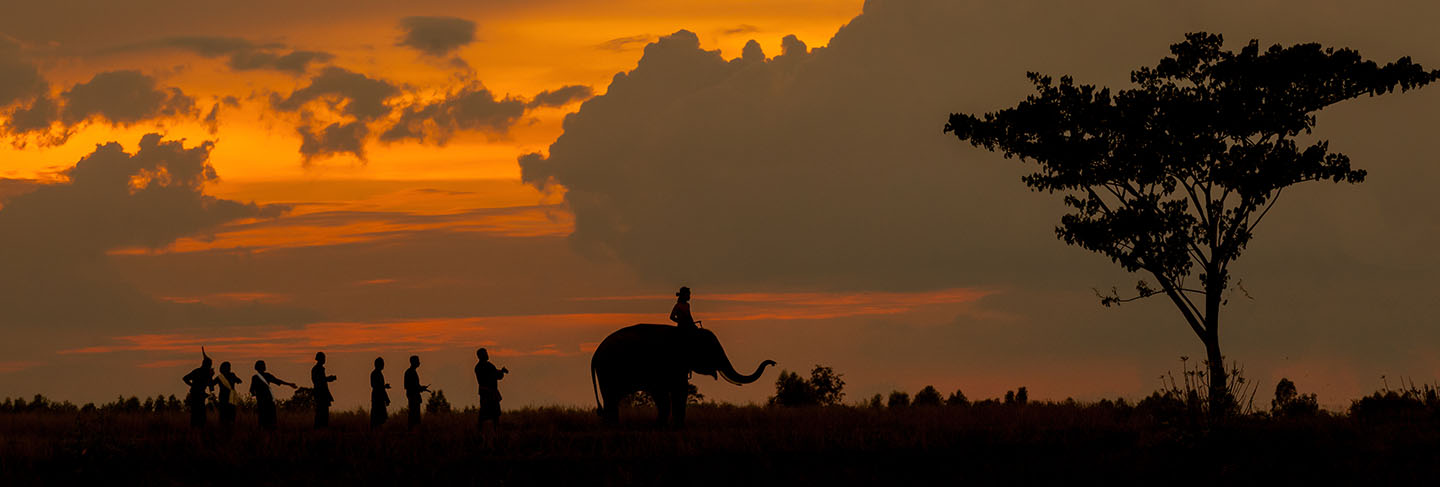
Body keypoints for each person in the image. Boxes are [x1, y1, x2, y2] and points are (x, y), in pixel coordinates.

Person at [473, 348, 508, 446]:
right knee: (495, 416)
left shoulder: (477, 367)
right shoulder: (489, 366)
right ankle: (495, 437)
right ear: (483, 355)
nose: (488, 354)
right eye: (486, 353)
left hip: (484, 395)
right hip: (491, 395)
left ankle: (480, 436)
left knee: (483, 417)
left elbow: (493, 375)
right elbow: (498, 376)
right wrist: (502, 371)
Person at [250, 360, 297, 430]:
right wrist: (289, 384)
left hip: (261, 400)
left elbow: (251, 390)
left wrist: (254, 394)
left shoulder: (255, 377)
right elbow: (278, 381)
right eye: (263, 365)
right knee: (270, 418)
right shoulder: (267, 375)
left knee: (262, 418)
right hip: (268, 399)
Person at [181, 350, 215, 428]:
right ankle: (199, 428)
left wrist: (193, 385)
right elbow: (211, 387)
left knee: (195, 412)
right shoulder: (207, 373)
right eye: (210, 364)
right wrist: (211, 376)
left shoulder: (197, 371)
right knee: (201, 413)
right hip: (199, 395)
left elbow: (185, 378)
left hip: (195, 394)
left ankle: (195, 429)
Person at [311, 352, 337, 428]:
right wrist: (329, 378)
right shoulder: (317, 369)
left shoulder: (317, 369)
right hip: (321, 393)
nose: (324, 360)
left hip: (321, 393)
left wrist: (327, 379)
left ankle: (321, 428)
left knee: (322, 412)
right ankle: (320, 428)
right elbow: (319, 381)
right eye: (323, 358)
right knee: (321, 413)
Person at [214, 361, 243, 427]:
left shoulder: (219, 377)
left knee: (223, 415)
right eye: (229, 367)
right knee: (231, 414)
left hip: (223, 398)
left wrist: (210, 375)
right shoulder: (232, 375)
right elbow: (239, 381)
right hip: (230, 398)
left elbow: (211, 384)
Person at [403, 355, 430, 428]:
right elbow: (409, 386)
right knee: (414, 415)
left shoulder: (409, 372)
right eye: (417, 361)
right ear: (413, 362)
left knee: (414, 415)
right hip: (413, 396)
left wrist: (421, 388)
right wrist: (420, 388)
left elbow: (412, 386)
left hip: (413, 396)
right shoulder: (410, 372)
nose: (419, 363)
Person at [370, 357, 391, 429]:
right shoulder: (375, 374)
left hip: (380, 397)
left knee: (381, 418)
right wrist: (384, 386)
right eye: (382, 363)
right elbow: (374, 385)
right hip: (377, 398)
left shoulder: (378, 373)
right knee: (376, 417)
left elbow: (381, 388)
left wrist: (386, 398)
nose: (383, 365)